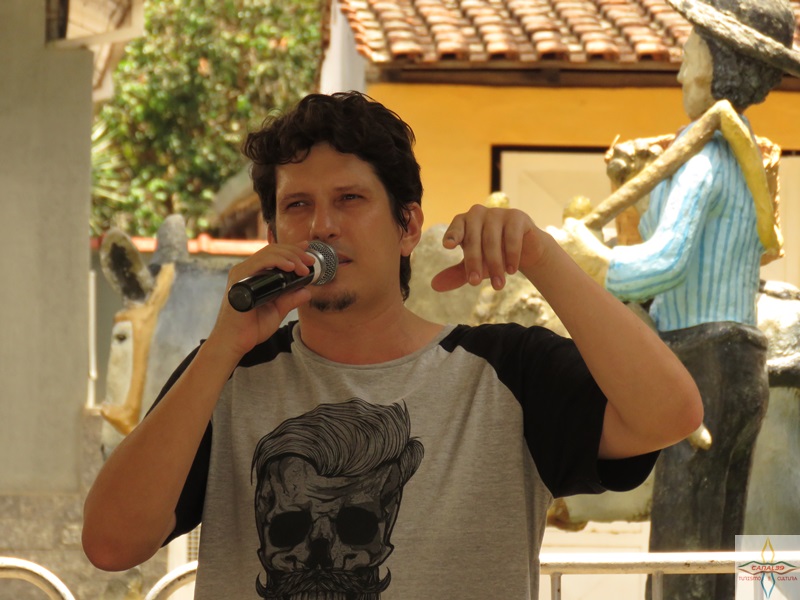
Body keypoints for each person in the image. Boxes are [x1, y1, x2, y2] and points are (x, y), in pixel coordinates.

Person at [82, 91, 702, 599]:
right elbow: (110, 544)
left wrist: (541, 256)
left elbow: (671, 414)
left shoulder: (506, 371)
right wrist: (222, 348)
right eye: (297, 205)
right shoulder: (225, 374)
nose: (322, 225)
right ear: (273, 232)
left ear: (408, 226)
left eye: (349, 199)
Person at [552, 1, 799, 598]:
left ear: (716, 63)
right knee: (720, 540)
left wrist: (589, 262)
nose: (681, 69)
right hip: (742, 362)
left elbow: (663, 265)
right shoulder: (745, 163)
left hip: (699, 359)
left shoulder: (703, 165)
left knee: (684, 542)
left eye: (690, 53)